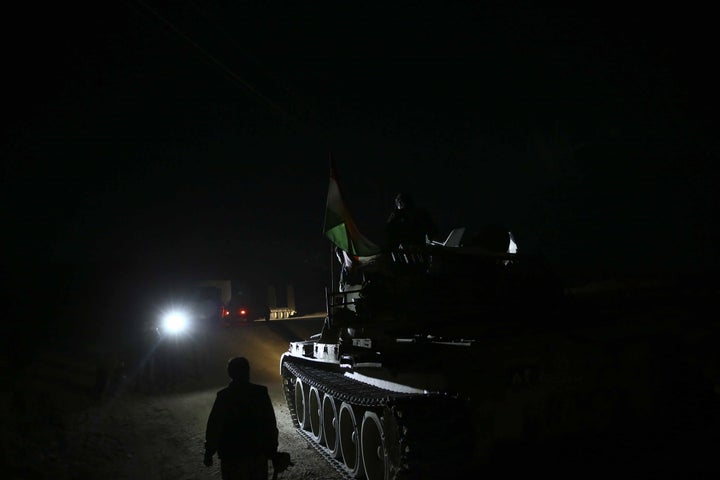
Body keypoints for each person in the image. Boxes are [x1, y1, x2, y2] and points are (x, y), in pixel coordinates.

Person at [203, 356, 279, 480]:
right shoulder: (260, 393)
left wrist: (209, 452)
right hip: (257, 454)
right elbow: (270, 424)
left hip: (231, 457)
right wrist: (273, 451)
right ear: (248, 371)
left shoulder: (224, 397)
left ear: (230, 374)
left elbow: (214, 426)